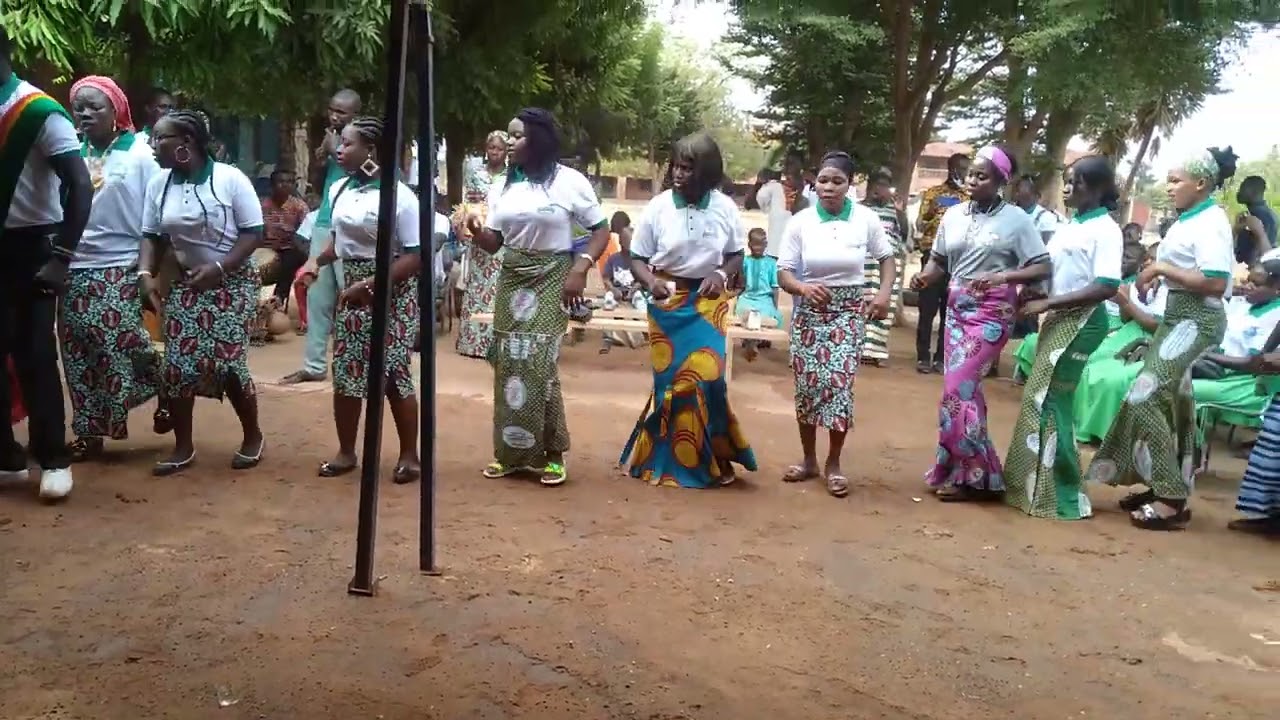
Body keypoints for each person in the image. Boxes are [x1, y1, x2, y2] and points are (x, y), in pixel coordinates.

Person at [1086, 146, 1239, 530]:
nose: (1168, 187)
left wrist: (1161, 270)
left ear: (1200, 183)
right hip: (1178, 317)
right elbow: (1186, 271)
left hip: (1196, 321)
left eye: (1175, 181)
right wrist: (1160, 276)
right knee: (1170, 405)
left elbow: (1215, 282)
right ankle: (1162, 484)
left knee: (1146, 396)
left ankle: (1171, 497)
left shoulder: (1212, 222)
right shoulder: (1189, 219)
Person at [464, 108, 608, 486]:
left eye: (518, 135)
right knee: (508, 361)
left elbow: (600, 229)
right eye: (509, 135)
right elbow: (495, 243)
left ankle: (554, 454)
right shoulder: (503, 185)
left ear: (539, 139)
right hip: (513, 275)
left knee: (539, 363)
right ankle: (510, 454)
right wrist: (476, 230)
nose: (510, 142)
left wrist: (580, 269)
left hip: (552, 276)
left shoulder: (569, 182)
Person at [910, 145, 1050, 502]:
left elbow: (1041, 265)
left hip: (992, 312)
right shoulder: (953, 215)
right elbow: (939, 261)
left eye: (981, 176)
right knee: (965, 392)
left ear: (1001, 180)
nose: (972, 180)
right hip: (956, 310)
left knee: (957, 389)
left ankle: (969, 474)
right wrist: (924, 277)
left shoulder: (1017, 220)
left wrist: (1003, 276)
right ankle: (979, 476)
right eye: (970, 174)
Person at [619, 131, 756, 489]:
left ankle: (714, 459)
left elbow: (736, 254)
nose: (678, 174)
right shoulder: (659, 207)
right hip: (668, 302)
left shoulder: (724, 208)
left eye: (688, 168)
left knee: (709, 379)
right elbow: (637, 258)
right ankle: (666, 462)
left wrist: (720, 274)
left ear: (707, 171)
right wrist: (651, 282)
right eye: (676, 166)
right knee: (671, 385)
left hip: (709, 303)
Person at [138, 109, 266, 476]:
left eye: (160, 138)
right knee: (177, 365)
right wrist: (145, 274)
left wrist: (220, 268)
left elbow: (254, 232)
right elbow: (151, 236)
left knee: (227, 363)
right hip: (187, 283)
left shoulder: (230, 179)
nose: (153, 145)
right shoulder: (159, 184)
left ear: (186, 142)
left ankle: (253, 436)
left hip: (233, 281)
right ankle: (183, 446)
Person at [297, 117, 422, 481]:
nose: (340, 149)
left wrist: (370, 286)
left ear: (372, 150)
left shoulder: (400, 196)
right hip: (352, 289)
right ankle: (347, 451)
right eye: (340, 142)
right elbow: (339, 241)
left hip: (393, 289)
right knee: (347, 370)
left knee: (393, 371)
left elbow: (414, 256)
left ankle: (410, 456)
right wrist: (315, 263)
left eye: (348, 143)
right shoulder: (340, 189)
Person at [0, 32, 94, 499]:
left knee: (35, 353)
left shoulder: (37, 110)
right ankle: (6, 455)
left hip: (33, 247)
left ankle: (53, 457)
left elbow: (80, 185)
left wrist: (62, 257)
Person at [1003, 156, 1123, 519]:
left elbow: (1106, 286)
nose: (1068, 189)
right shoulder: (1071, 226)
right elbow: (1057, 272)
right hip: (1058, 318)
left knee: (1051, 400)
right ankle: (1033, 487)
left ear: (1098, 188)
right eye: (1067, 181)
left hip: (1083, 321)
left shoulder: (1106, 230)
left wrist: (1048, 303)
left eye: (1077, 183)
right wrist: (1034, 292)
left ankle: (1063, 493)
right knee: (1041, 399)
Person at [61, 75, 171, 464]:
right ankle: (89, 433)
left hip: (121, 262)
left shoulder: (141, 154)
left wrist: (149, 268)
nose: (86, 114)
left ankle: (166, 385)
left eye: (95, 106)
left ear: (117, 110)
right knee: (77, 349)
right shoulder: (70, 151)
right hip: (73, 263)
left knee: (120, 342)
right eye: (79, 107)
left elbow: (156, 214)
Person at [777, 151, 895, 497]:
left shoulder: (866, 219)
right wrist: (802, 288)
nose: (828, 187)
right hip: (809, 312)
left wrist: (883, 295)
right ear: (815, 182)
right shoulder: (800, 221)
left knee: (838, 384)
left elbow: (887, 259)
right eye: (823, 180)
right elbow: (783, 272)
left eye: (837, 181)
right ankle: (809, 460)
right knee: (808, 387)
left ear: (850, 184)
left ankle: (833, 463)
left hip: (848, 312)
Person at [281, 89, 362, 384]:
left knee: (351, 296)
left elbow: (366, 172)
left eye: (342, 112)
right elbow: (319, 183)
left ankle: (354, 363)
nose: (334, 116)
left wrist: (336, 149)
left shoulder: (364, 143)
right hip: (323, 223)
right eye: (332, 110)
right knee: (316, 295)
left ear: (356, 115)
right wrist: (321, 159)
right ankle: (314, 366)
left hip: (349, 228)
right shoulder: (330, 139)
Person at [454, 130, 510, 359]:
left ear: (506, 152)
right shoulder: (475, 173)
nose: (495, 152)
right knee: (477, 285)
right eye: (491, 148)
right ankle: (473, 343)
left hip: (501, 238)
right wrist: (462, 225)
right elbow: (466, 203)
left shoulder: (512, 177)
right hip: (477, 236)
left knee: (498, 287)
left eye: (499, 148)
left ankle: (495, 345)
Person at [913, 152, 971, 373]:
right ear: (951, 168)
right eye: (960, 168)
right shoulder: (932, 194)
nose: (963, 173)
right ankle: (923, 357)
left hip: (958, 261)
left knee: (951, 311)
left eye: (966, 169)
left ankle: (941, 357)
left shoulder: (969, 199)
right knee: (927, 309)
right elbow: (920, 224)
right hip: (932, 257)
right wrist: (929, 213)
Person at [861, 167, 909, 366]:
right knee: (863, 303)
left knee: (884, 306)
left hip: (888, 265)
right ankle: (860, 348)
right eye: (877, 185)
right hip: (864, 264)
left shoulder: (895, 211)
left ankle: (877, 351)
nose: (880, 189)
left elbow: (904, 235)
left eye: (885, 186)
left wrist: (900, 212)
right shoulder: (859, 208)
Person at [260, 169, 310, 305]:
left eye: (289, 182)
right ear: (272, 185)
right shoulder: (261, 205)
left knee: (291, 258)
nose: (285, 185)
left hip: (289, 249)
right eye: (281, 181)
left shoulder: (300, 207)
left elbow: (306, 234)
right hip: (264, 247)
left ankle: (278, 298)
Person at [735, 228, 783, 361]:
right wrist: (738, 299)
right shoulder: (745, 261)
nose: (758, 248)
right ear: (749, 244)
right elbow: (741, 284)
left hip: (765, 300)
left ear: (765, 244)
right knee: (743, 313)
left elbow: (774, 287)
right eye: (755, 245)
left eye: (760, 245)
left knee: (768, 316)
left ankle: (753, 342)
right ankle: (750, 342)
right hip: (748, 297)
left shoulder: (771, 263)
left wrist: (775, 306)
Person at [1234, 175, 1276, 266]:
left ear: (1254, 191)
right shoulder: (1263, 213)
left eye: (1243, 187)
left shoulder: (1259, 216)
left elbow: (1258, 251)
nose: (1239, 192)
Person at [755, 168, 788, 259]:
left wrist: (765, 208)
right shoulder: (786, 186)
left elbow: (761, 198)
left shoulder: (771, 186)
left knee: (775, 243)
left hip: (777, 222)